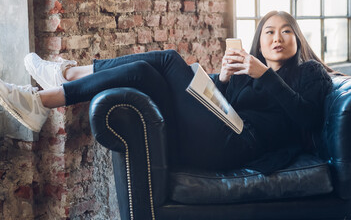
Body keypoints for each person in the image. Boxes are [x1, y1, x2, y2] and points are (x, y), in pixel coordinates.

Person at [0, 11, 333, 173]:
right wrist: (225, 80)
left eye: (286, 32)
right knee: (144, 72)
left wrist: (266, 77)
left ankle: (66, 73)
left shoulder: (309, 72)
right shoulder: (248, 70)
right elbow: (223, 109)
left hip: (241, 147)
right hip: (217, 136)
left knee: (169, 59)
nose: (277, 38)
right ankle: (41, 101)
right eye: (270, 32)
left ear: (298, 38)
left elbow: (308, 117)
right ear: (259, 41)